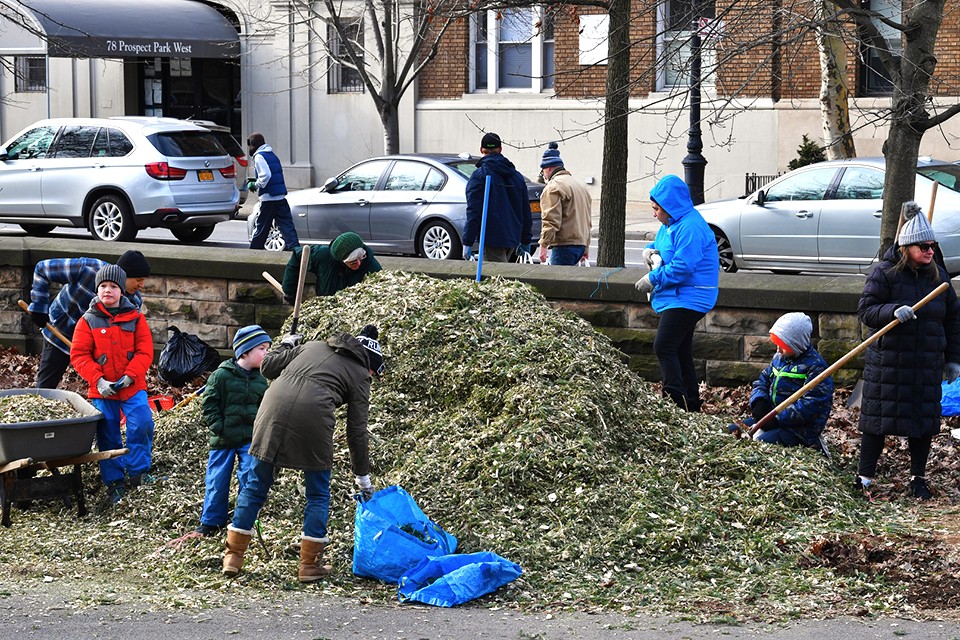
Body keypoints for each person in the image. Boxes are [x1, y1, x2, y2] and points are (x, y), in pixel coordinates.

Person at [222, 324, 385, 582]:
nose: (372, 377)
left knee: (255, 486)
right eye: (374, 372)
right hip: (313, 418)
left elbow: (267, 367)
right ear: (369, 363)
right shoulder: (360, 374)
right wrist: (362, 476)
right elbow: (357, 431)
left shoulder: (311, 346)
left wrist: (286, 344)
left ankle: (233, 557)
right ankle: (309, 566)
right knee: (318, 493)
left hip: (272, 410)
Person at [856, 201, 960, 501]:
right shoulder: (884, 274)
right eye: (923, 246)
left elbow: (953, 318)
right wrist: (891, 311)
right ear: (907, 247)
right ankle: (864, 477)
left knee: (922, 423)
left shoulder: (938, 278)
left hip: (926, 363)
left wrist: (953, 359)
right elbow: (866, 310)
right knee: (876, 422)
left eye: (932, 245)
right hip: (889, 364)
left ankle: (918, 477)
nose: (930, 251)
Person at [70, 265, 155, 504]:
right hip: (102, 389)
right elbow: (79, 356)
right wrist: (98, 380)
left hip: (131, 386)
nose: (108, 290)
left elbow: (145, 352)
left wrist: (130, 375)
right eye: (103, 286)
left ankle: (139, 473)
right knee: (108, 434)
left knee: (142, 424)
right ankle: (114, 482)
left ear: (122, 291)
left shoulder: (136, 318)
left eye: (114, 287)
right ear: (97, 289)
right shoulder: (87, 321)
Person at [635, 174, 719, 412]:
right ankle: (689, 403)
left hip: (690, 296)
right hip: (682, 294)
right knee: (679, 349)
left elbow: (682, 267)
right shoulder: (672, 223)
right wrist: (649, 251)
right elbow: (663, 248)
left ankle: (674, 402)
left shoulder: (690, 227)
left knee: (664, 346)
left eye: (656, 209)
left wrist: (652, 278)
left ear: (669, 206)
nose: (654, 214)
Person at [28, 250, 151, 389]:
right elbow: (42, 268)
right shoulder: (88, 268)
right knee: (46, 386)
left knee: (103, 388)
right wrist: (39, 306)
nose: (142, 285)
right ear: (124, 276)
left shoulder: (133, 301)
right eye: (139, 280)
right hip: (60, 331)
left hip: (96, 347)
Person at [193, 325, 272, 537]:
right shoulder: (221, 376)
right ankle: (211, 521)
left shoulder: (260, 380)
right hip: (223, 439)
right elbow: (209, 404)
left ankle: (244, 519)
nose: (266, 353)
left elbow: (264, 407)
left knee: (250, 476)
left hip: (249, 439)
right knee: (217, 479)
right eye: (262, 349)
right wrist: (218, 427)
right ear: (245, 351)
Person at [728, 313, 834, 453]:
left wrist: (777, 418)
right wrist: (759, 402)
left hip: (798, 429)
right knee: (731, 431)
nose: (778, 349)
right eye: (777, 344)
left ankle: (815, 445)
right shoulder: (779, 358)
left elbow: (811, 405)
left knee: (759, 444)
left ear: (796, 344)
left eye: (783, 345)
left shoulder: (816, 368)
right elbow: (763, 380)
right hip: (771, 417)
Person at [461, 132, 533, 263]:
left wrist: (467, 242)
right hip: (512, 237)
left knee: (496, 279)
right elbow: (525, 211)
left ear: (481, 150)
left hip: (491, 238)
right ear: (500, 149)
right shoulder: (516, 177)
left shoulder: (479, 176)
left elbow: (474, 212)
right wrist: (525, 239)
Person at [281, 232, 382, 302]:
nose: (359, 263)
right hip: (325, 307)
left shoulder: (372, 267)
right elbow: (298, 256)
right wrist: (289, 291)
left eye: (361, 258)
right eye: (353, 262)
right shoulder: (322, 255)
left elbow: (382, 290)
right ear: (341, 260)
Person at [536, 142, 593, 266]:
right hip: (580, 244)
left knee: (556, 283)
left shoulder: (553, 187)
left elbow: (551, 219)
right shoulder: (580, 187)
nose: (543, 175)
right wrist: (586, 246)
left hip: (564, 245)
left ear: (548, 168)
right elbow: (587, 221)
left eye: (543, 171)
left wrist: (543, 245)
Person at [247, 132, 300, 251]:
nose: (249, 148)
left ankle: (253, 255)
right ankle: (296, 252)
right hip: (280, 197)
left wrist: (256, 184)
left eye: (250, 145)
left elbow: (266, 175)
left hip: (268, 198)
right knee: (287, 227)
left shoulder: (259, 156)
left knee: (261, 228)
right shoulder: (271, 154)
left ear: (253, 145)